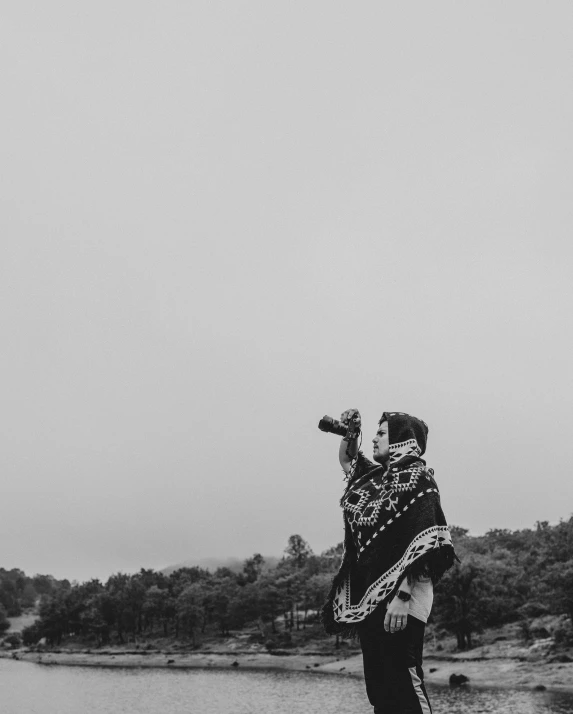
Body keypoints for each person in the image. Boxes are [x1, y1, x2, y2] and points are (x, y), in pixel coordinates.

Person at [321, 409, 457, 714]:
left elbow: (430, 544)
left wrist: (402, 596)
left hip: (405, 597)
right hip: (370, 599)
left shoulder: (420, 479)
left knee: (405, 682)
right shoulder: (373, 481)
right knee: (379, 690)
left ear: (401, 440)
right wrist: (349, 435)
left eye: (382, 433)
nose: (374, 437)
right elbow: (347, 460)